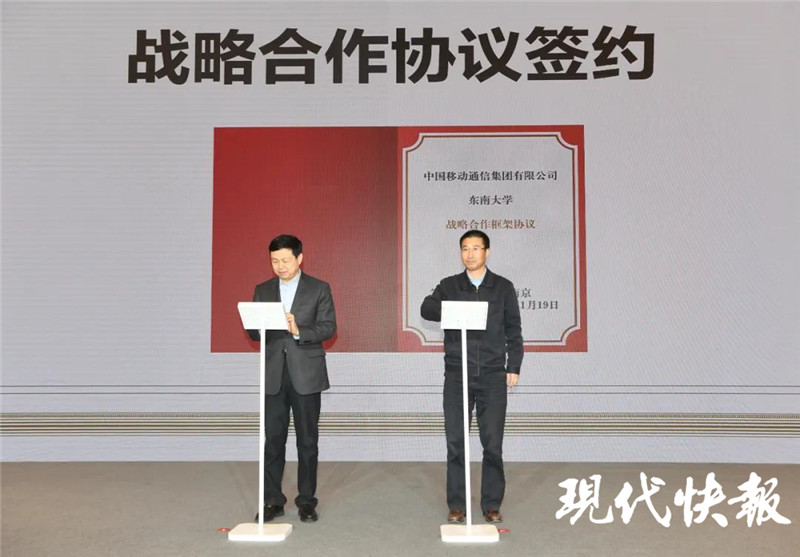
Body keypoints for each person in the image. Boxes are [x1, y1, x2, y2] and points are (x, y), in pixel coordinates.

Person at [420, 229, 523, 525]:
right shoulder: (450, 285)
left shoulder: (502, 287)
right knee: (456, 442)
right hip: (457, 375)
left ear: (487, 252)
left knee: (492, 444)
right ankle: (457, 504)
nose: (470, 254)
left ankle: (491, 504)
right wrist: (454, 310)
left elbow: (514, 330)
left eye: (476, 248)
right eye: (465, 248)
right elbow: (427, 308)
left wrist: (513, 366)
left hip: (492, 376)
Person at [247, 234, 336, 523]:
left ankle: (307, 501)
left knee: (307, 442)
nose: (280, 266)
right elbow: (253, 333)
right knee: (273, 441)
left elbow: (328, 327)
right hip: (274, 374)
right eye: (274, 261)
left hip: (306, 374)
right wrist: (255, 324)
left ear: (299, 258)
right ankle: (272, 501)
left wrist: (299, 331)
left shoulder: (319, 288)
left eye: (285, 260)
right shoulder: (263, 289)